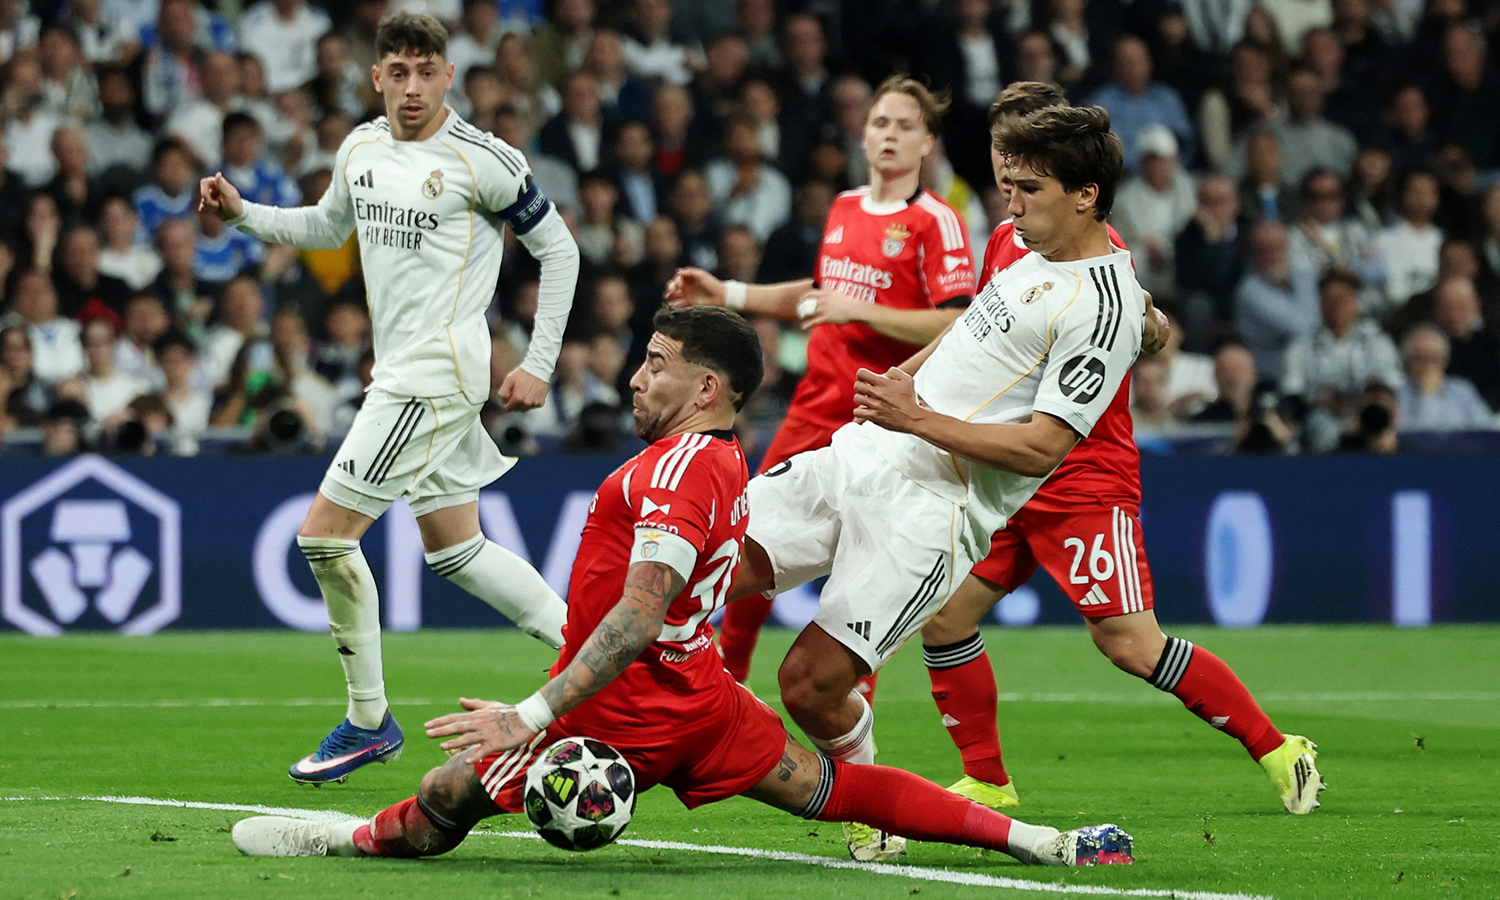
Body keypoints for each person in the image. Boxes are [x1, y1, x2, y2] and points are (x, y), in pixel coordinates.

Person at [229, 306, 1136, 869]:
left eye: (656, 363)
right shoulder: (721, 459)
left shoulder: (676, 471)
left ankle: (348, 839)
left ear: (705, 386)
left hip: (619, 711)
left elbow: (638, 613)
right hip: (701, 703)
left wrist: (530, 716)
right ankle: (1043, 844)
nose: (636, 376)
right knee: (830, 789)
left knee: (444, 797)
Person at [714, 104, 1145, 864]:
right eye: (1008, 186)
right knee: (705, 561)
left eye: (1029, 189)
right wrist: (900, 383)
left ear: (1086, 196)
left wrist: (916, 418)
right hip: (863, 453)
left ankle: (870, 799)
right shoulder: (1023, 247)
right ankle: (607, 720)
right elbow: (966, 329)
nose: (1010, 205)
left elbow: (1042, 446)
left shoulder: (1104, 310)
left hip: (931, 512)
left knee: (808, 685)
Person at [199, 13, 581, 786]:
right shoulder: (361, 148)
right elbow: (325, 226)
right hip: (407, 371)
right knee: (457, 551)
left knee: (324, 538)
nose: (412, 86)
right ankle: (607, 660)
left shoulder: (484, 160)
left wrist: (539, 363)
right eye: (398, 71)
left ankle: (369, 721)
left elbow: (560, 249)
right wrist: (244, 216)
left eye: (426, 71)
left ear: (449, 76)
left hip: (432, 375)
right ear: (376, 77)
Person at [663, 75, 978, 719]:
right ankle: (724, 685)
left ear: (927, 142)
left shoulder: (936, 220)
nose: (889, 136)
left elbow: (958, 322)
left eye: (905, 126)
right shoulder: (844, 207)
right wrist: (728, 293)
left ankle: (852, 716)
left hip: (883, 419)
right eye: (880, 123)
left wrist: (860, 308)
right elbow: (819, 295)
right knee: (747, 537)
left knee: (864, 573)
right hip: (814, 408)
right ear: (863, 134)